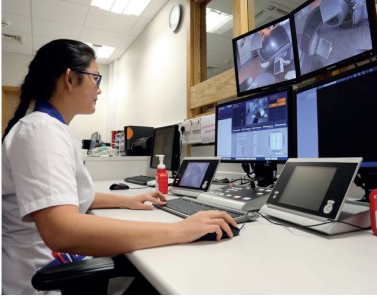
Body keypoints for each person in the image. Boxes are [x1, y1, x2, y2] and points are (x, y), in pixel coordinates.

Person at [2, 39, 237, 294]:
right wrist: (178, 230)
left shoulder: (47, 128)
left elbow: (69, 197)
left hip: (50, 262)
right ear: (70, 79)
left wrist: (127, 201)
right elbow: (61, 229)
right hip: (37, 279)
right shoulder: (41, 131)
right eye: (96, 78)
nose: (99, 90)